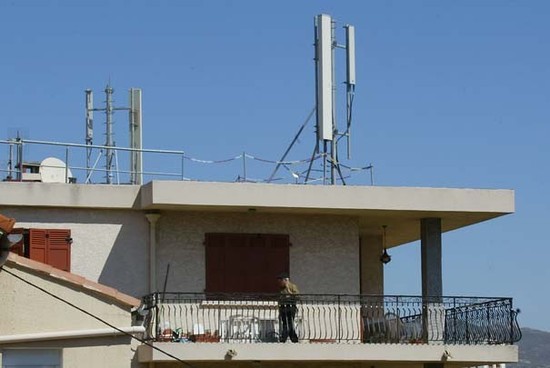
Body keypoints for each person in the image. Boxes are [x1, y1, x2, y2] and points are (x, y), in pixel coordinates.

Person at [277, 273, 299, 343]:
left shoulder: (292, 286)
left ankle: (291, 337)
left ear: (285, 280)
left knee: (290, 322)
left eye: (281, 281)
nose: (279, 283)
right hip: (283, 307)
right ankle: (286, 337)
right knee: (285, 323)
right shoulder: (281, 288)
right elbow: (279, 298)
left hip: (291, 307)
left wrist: (288, 289)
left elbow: (297, 296)